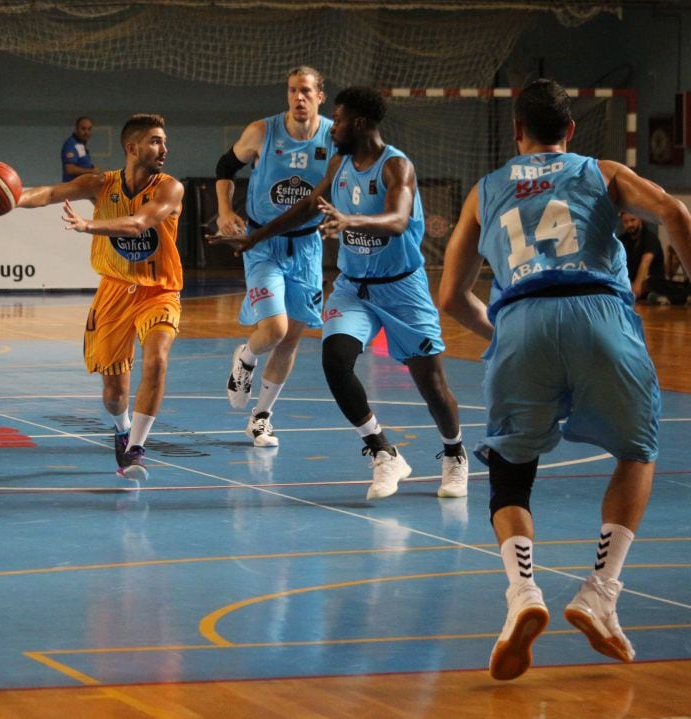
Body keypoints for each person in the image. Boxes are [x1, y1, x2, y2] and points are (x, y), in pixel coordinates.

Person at [438, 78, 691, 681]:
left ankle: (523, 594)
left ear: (518, 133)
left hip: (520, 318)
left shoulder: (486, 190)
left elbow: (450, 295)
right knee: (637, 452)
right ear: (570, 131)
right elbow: (675, 212)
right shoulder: (599, 170)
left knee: (509, 472)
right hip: (599, 313)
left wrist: (501, 333)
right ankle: (600, 592)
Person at [209, 86, 468, 501]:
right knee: (335, 359)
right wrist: (255, 237)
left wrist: (352, 219)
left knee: (431, 384)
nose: (334, 128)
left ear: (360, 124)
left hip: (402, 288)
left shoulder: (395, 166)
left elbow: (399, 220)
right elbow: (310, 205)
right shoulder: (341, 161)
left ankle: (455, 454)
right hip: (353, 289)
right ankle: (383, 451)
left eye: (341, 119)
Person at [18, 114, 183, 480]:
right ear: (132, 148)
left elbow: (139, 224)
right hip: (113, 293)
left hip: (158, 291)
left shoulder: (170, 189)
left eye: (164, 141)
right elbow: (48, 193)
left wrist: (89, 226)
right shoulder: (100, 184)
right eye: (155, 141)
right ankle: (122, 429)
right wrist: (12, 198)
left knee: (156, 359)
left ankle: (136, 449)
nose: (163, 148)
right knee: (113, 393)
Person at [216, 66, 333, 448]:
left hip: (307, 246)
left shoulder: (334, 137)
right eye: (291, 91)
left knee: (291, 339)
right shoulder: (262, 132)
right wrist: (224, 210)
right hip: (262, 242)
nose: (298, 98)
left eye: (305, 92)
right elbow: (225, 167)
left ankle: (261, 418)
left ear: (320, 96)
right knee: (275, 329)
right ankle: (246, 357)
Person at [619, 211, 688, 305]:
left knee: (651, 283)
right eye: (625, 222)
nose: (629, 224)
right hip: (631, 283)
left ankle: (663, 297)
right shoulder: (622, 240)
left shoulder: (650, 238)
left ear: (640, 219)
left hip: (651, 282)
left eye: (632, 220)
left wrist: (637, 285)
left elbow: (646, 261)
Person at [61, 116, 97, 182]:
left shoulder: (81, 145)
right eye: (83, 129)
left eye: (89, 129)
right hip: (72, 189)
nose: (86, 132)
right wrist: (91, 171)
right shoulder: (71, 144)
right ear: (76, 129)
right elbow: (70, 169)